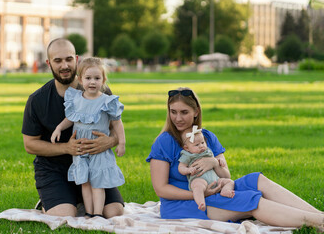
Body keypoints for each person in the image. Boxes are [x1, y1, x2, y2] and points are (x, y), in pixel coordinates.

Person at [146, 87, 324, 231]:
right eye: (173, 112)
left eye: (184, 112)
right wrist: (199, 194)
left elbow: (226, 174)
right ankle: (317, 222)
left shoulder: (206, 136)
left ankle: (319, 216)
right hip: (185, 204)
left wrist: (213, 162)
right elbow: (161, 189)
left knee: (257, 179)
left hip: (215, 189)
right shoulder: (165, 141)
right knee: (249, 200)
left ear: (196, 112)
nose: (178, 118)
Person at [22, 38, 124, 218]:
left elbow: (116, 126)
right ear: (49, 63)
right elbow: (30, 144)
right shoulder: (37, 100)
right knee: (65, 214)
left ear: (76, 59)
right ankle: (52, 199)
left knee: (115, 212)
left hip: (96, 166)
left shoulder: (101, 91)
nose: (65, 65)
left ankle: (82, 201)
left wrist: (111, 141)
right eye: (58, 60)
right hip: (55, 171)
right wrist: (66, 148)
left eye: (69, 59)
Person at [50, 57, 125, 218]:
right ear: (80, 79)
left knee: (98, 183)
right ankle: (89, 212)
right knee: (85, 182)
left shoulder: (107, 101)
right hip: (80, 149)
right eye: (88, 78)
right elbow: (70, 118)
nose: (92, 82)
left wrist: (121, 142)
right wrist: (58, 128)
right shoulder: (76, 98)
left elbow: (117, 123)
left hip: (99, 150)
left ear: (103, 80)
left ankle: (97, 213)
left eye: (97, 78)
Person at [178, 125, 235, 211]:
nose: (201, 146)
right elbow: (181, 167)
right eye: (197, 145)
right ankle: (201, 202)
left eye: (202, 142)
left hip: (215, 179)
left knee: (229, 182)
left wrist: (219, 161)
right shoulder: (187, 155)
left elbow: (214, 160)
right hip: (199, 178)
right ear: (187, 148)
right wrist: (188, 170)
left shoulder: (207, 151)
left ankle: (225, 191)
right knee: (198, 188)